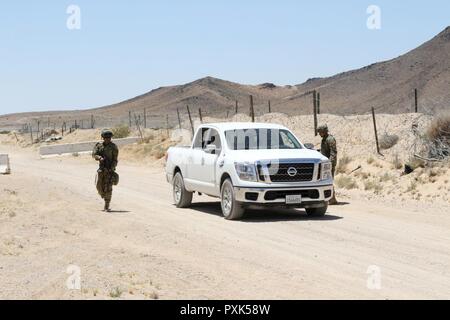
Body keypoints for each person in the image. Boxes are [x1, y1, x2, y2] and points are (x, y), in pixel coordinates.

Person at [93, 129, 119, 212]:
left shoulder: (113, 147)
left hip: (109, 170)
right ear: (103, 138)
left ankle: (106, 205)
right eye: (106, 137)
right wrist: (99, 158)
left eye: (109, 138)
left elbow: (115, 159)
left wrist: (111, 168)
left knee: (108, 188)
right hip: (101, 169)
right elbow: (94, 154)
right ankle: (104, 195)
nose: (108, 139)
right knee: (98, 186)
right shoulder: (99, 145)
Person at [318, 124, 338, 205]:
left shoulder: (330, 139)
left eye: (320, 132)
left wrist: (329, 163)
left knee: (329, 180)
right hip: (325, 163)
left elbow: (333, 153)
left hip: (329, 163)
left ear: (324, 131)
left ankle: (332, 199)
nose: (319, 133)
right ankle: (331, 198)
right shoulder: (324, 139)